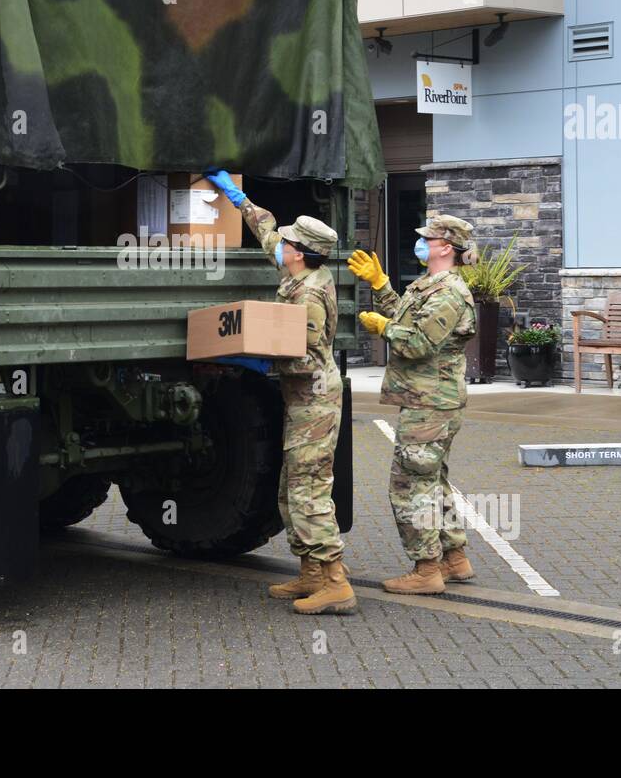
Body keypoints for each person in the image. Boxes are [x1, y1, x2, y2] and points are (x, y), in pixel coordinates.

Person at [203, 170, 355, 615]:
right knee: (291, 488)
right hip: (302, 400)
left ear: (299, 253)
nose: (281, 245)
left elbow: (304, 356)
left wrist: (252, 359)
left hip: (314, 399)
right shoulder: (301, 269)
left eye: (288, 243)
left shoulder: (308, 293)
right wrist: (237, 197)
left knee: (309, 489)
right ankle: (310, 573)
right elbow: (267, 229)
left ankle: (335, 581)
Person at [348, 215, 477, 594]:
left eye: (428, 238)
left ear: (446, 247)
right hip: (429, 400)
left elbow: (418, 343)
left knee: (409, 486)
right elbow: (408, 315)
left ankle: (425, 570)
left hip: (430, 403)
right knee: (432, 480)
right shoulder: (430, 286)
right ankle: (454, 559)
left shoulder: (449, 293)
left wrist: (383, 328)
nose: (420, 243)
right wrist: (380, 284)